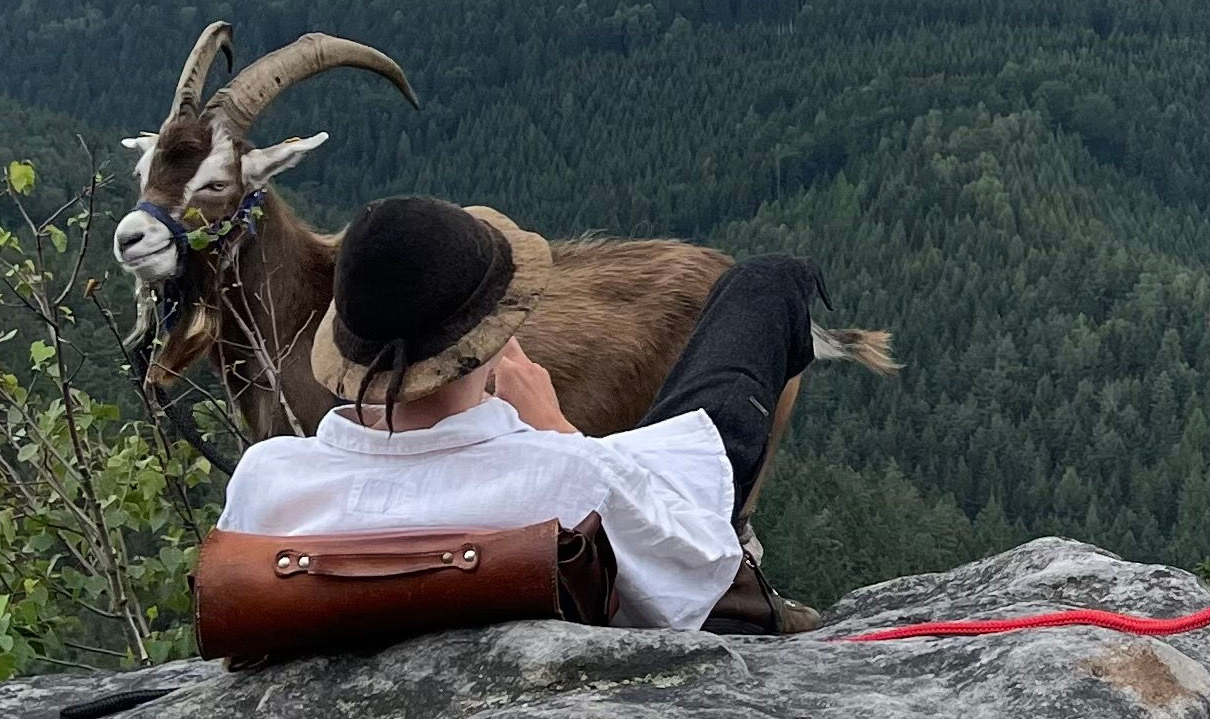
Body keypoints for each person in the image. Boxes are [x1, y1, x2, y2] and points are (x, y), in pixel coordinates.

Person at [216, 195, 825, 632]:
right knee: (769, 287)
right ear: (494, 336)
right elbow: (704, 565)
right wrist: (560, 432)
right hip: (660, 491)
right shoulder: (566, 472)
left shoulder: (267, 480)